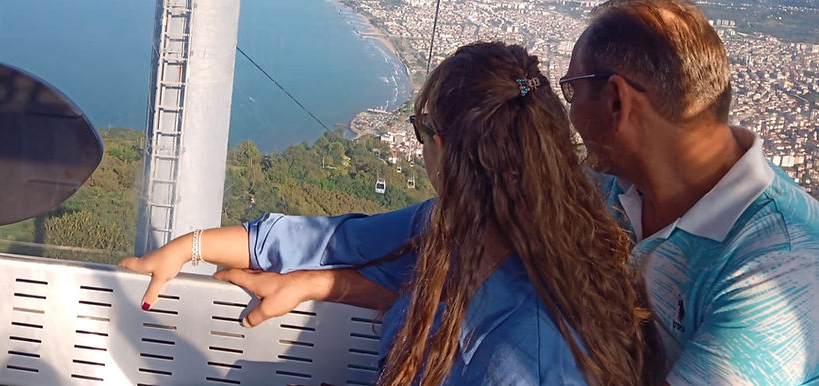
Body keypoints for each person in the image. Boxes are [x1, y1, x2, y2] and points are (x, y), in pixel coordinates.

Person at [121, 42, 653, 385]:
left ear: (444, 148)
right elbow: (333, 241)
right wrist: (190, 247)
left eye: (422, 130)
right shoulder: (454, 226)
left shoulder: (529, 356)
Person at [558, 0, 819, 385]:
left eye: (571, 90)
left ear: (616, 102)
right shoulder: (613, 183)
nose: (571, 111)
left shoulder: (782, 267)